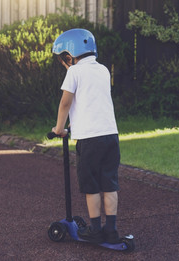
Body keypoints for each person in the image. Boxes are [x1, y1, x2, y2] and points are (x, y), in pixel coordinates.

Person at [51, 28, 121, 244]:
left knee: (90, 185)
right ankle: (111, 230)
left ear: (69, 56)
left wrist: (59, 128)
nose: (63, 64)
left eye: (62, 60)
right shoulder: (103, 71)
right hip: (110, 136)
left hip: (89, 140)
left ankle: (95, 230)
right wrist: (77, 120)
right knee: (109, 184)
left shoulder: (74, 72)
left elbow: (66, 102)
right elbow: (93, 101)